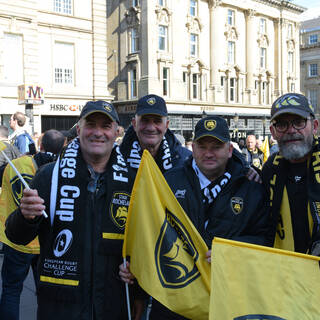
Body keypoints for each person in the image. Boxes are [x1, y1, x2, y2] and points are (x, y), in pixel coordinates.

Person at [121, 116, 270, 320]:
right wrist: (133, 264)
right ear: (193, 147)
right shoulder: (169, 181)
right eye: (202, 145)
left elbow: (265, 241)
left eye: (216, 146)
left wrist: (230, 251)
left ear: (229, 150)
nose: (208, 153)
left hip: (225, 304)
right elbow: (149, 232)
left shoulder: (252, 188)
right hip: (172, 304)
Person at [5, 101, 135, 320]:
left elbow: (143, 242)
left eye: (105, 126)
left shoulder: (132, 181)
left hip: (113, 306)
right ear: (79, 129)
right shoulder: (49, 176)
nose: (98, 132)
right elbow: (16, 235)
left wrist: (136, 268)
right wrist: (25, 217)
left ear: (116, 132)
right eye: (91, 124)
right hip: (60, 307)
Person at [0, 129, 66, 320]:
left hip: (16, 242)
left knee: (11, 291)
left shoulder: (16, 165)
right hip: (43, 242)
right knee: (45, 294)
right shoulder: (61, 169)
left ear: (41, 145)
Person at [262, 93, 320, 254]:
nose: (291, 130)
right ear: (273, 132)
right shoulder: (268, 171)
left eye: (299, 122)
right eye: (282, 124)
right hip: (285, 270)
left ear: (314, 126)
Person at [120, 94, 191, 173]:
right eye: (145, 120)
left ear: (166, 125)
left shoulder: (187, 161)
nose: (151, 128)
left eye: (157, 121)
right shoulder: (116, 159)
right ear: (134, 124)